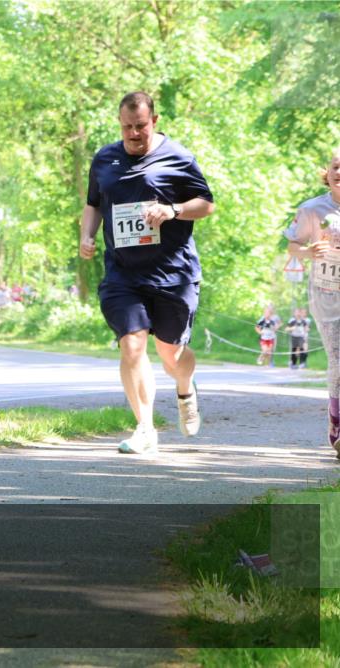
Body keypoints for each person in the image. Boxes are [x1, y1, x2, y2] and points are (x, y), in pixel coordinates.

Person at [79, 91, 215, 455]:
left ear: (154, 121)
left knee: (171, 356)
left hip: (174, 273)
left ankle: (185, 387)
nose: (134, 134)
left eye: (140, 126)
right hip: (124, 274)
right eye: (127, 127)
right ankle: (145, 427)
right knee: (132, 344)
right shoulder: (105, 159)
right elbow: (93, 204)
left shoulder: (179, 157)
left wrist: (172, 210)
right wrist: (86, 236)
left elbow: (206, 204)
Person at [284, 147, 340, 456]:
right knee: (338, 357)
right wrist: (308, 253)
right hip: (328, 295)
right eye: (335, 166)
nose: (339, 173)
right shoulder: (312, 210)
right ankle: (337, 424)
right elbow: (294, 246)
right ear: (327, 172)